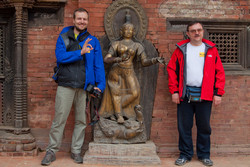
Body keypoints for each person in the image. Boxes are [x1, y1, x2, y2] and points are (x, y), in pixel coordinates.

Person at [41, 8, 105, 166]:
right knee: (59, 119)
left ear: (87, 21)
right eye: (79, 19)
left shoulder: (93, 41)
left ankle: (76, 150)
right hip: (66, 85)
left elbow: (98, 65)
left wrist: (100, 85)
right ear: (74, 20)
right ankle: (51, 150)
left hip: (84, 87)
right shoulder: (64, 37)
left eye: (85, 19)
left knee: (81, 121)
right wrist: (80, 52)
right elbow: (60, 57)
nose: (82, 21)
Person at [167, 22, 225, 166]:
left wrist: (218, 93)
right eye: (193, 31)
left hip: (205, 95)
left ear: (203, 32)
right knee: (184, 127)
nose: (196, 33)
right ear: (188, 33)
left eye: (199, 30)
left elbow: (220, 72)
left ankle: (204, 155)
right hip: (185, 94)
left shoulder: (211, 49)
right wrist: (174, 91)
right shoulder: (181, 49)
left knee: (204, 127)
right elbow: (171, 70)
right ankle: (185, 154)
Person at [99, 22, 164, 124]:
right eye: (126, 29)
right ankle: (119, 115)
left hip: (129, 70)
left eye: (130, 29)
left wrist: (154, 60)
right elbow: (106, 59)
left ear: (134, 32)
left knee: (135, 93)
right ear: (121, 31)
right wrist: (118, 59)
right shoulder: (116, 44)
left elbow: (144, 62)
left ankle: (114, 109)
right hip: (116, 70)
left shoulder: (137, 45)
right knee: (115, 92)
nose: (128, 31)